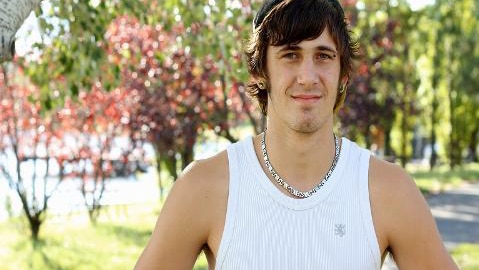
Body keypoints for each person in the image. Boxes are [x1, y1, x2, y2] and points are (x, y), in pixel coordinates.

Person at [134, 0, 458, 269]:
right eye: (290, 55)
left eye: (323, 56)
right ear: (260, 72)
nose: (307, 76)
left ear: (343, 73)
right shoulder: (205, 187)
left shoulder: (389, 190)